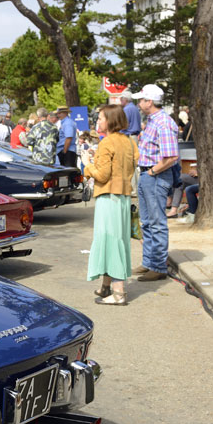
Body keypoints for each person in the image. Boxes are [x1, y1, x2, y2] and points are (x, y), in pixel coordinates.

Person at [85, 104, 139, 305]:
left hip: (109, 197)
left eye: (100, 118)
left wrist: (87, 166)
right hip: (123, 197)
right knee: (117, 239)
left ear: (110, 120)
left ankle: (118, 293)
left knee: (109, 239)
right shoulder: (129, 142)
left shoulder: (106, 143)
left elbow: (102, 174)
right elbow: (132, 169)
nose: (97, 121)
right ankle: (106, 286)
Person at [134, 83, 179, 282]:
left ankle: (158, 266)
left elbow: (171, 157)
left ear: (149, 101)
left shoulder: (162, 122)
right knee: (148, 221)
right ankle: (150, 262)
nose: (138, 102)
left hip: (155, 176)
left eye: (141, 99)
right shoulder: (154, 121)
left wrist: (152, 171)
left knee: (156, 222)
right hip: (150, 175)